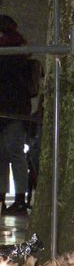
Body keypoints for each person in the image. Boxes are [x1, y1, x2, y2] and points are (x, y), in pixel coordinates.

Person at [0, 15, 31, 215]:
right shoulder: (19, 50)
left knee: (8, 154)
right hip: (16, 110)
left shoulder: (10, 52)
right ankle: (19, 199)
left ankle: (8, 199)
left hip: (9, 110)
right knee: (13, 153)